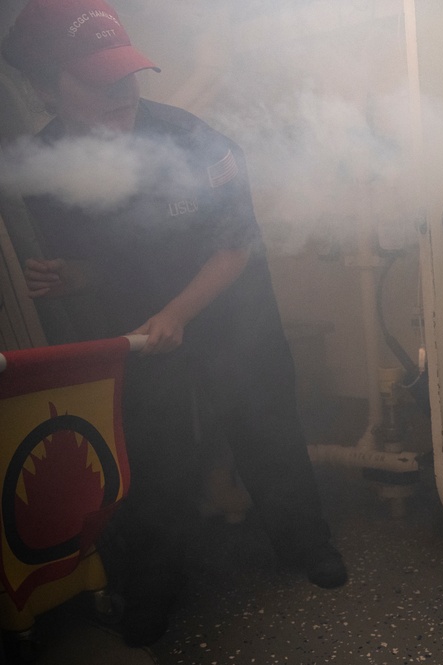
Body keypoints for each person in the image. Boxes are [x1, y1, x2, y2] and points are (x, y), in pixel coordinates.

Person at [1, 0, 347, 647]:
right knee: (150, 448)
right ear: (49, 89)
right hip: (138, 323)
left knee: (262, 418)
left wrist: (178, 311)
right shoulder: (45, 167)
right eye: (100, 81)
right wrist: (78, 277)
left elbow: (234, 247)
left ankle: (306, 543)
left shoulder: (195, 140)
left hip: (228, 302)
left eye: (128, 76)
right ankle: (157, 581)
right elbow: (109, 255)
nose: (123, 94)